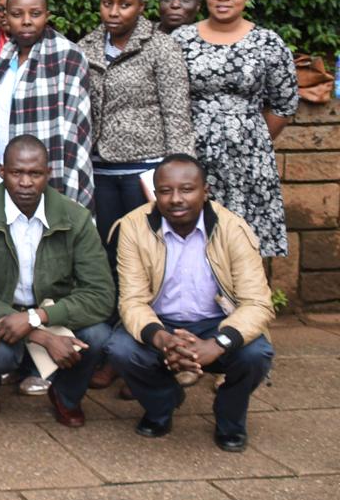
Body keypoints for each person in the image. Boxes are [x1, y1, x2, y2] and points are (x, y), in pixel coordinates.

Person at [109, 154, 276, 451]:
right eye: (165, 191)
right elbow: (132, 301)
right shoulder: (133, 227)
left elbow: (257, 303)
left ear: (205, 191)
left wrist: (219, 343)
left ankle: (230, 418)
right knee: (120, 349)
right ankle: (162, 405)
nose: (176, 199)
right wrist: (162, 339)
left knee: (256, 354)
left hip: (218, 323)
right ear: (155, 193)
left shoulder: (232, 228)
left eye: (187, 189)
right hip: (160, 322)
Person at [0, 135, 116, 426]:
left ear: (48, 173)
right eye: (16, 172)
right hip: (1, 314)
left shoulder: (76, 217)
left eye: (35, 173)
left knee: (98, 336)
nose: (25, 182)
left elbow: (101, 294)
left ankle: (66, 396)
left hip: (53, 311)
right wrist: (42, 337)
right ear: (1, 172)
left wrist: (38, 318)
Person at [173, 0, 299, 257]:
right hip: (192, 158)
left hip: (248, 161)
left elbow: (284, 104)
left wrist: (251, 137)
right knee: (193, 242)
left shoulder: (268, 43)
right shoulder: (181, 39)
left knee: (244, 247)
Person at [77, 0, 195, 267]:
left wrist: (181, 171)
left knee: (148, 250)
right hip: (100, 170)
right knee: (107, 247)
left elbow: (176, 112)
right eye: (107, 3)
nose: (113, 12)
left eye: (124, 5)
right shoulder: (85, 48)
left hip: (146, 169)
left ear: (141, 7)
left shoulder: (161, 47)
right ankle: (113, 298)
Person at [0, 0, 96, 209]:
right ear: (5, 17)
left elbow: (76, 129)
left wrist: (70, 181)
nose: (26, 21)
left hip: (51, 168)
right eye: (17, 14)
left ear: (47, 15)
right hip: (8, 168)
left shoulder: (67, 55)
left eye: (35, 14)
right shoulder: (5, 56)